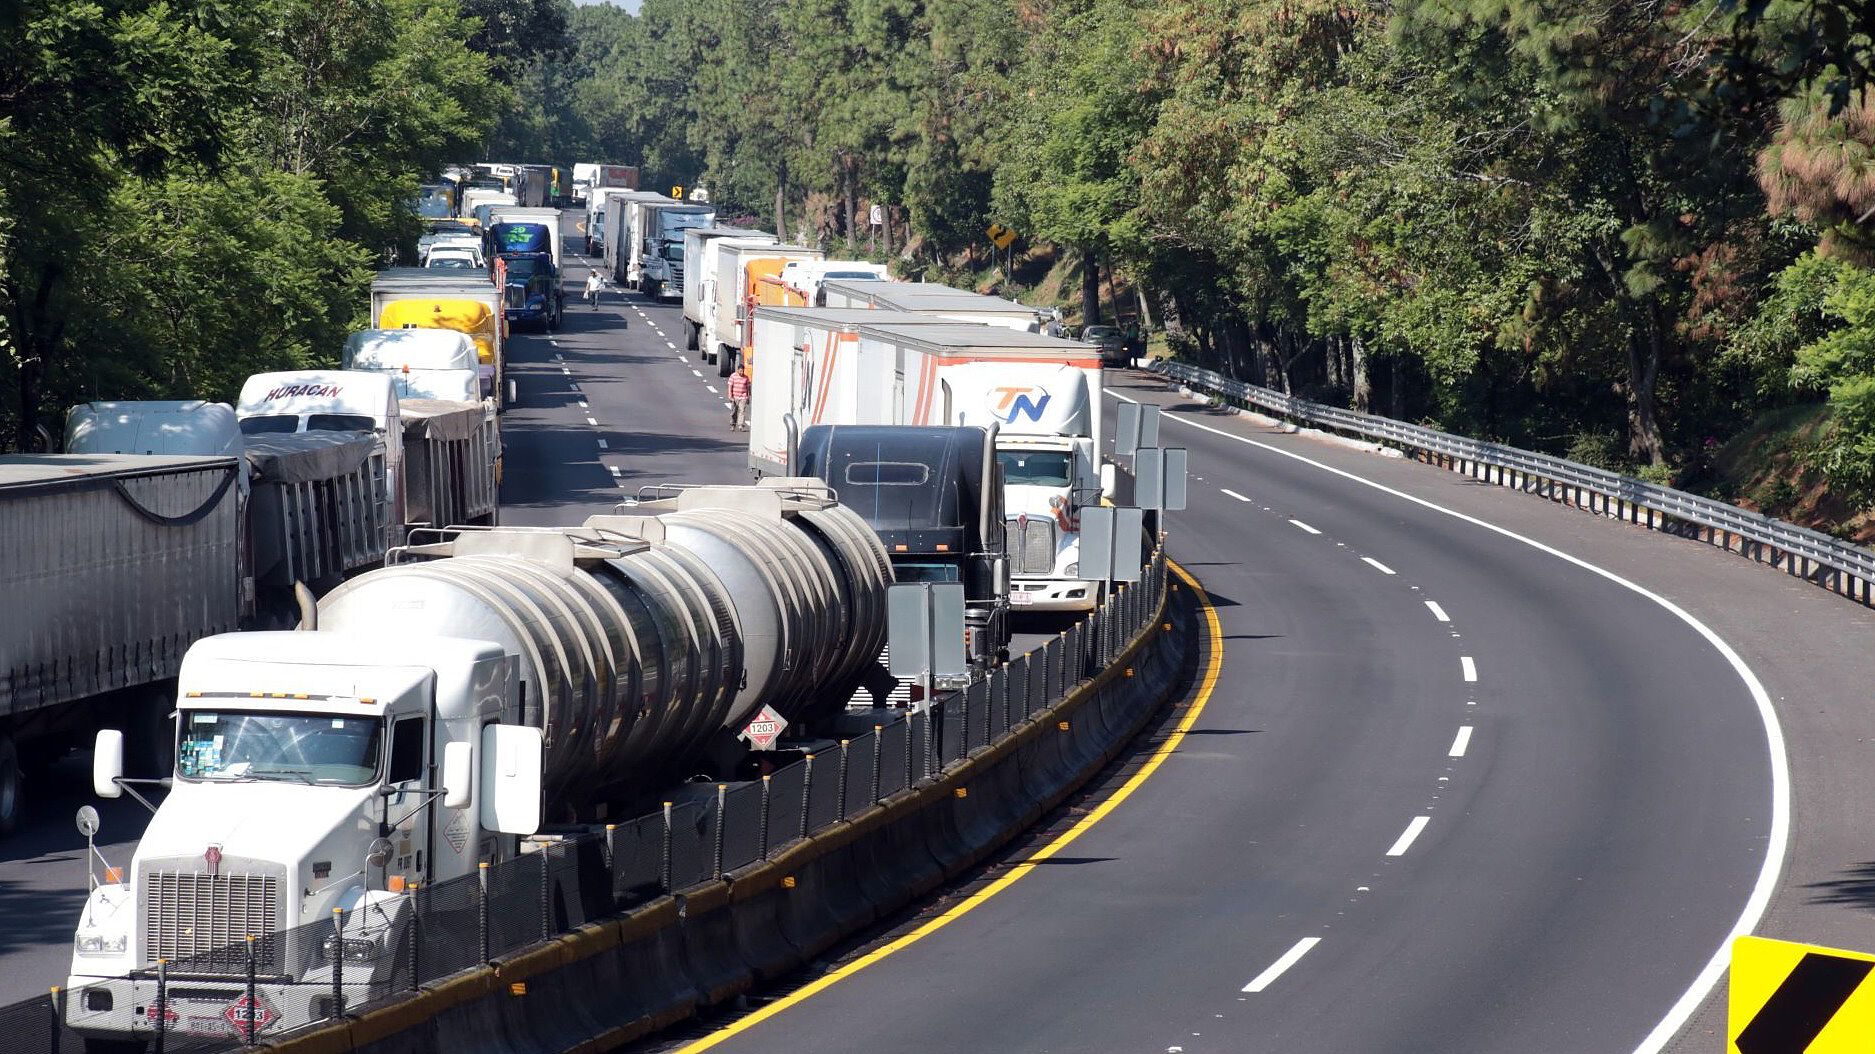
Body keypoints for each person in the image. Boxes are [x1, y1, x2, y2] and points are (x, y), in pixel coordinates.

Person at [727, 366, 751, 431]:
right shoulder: (733, 376)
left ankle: (741, 425)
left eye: (742, 371)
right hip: (735, 397)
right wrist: (730, 396)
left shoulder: (746, 378)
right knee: (734, 412)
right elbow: (730, 386)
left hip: (743, 397)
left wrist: (748, 397)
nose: (741, 372)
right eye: (740, 371)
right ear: (737, 370)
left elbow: (748, 387)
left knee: (742, 411)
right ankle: (733, 424)